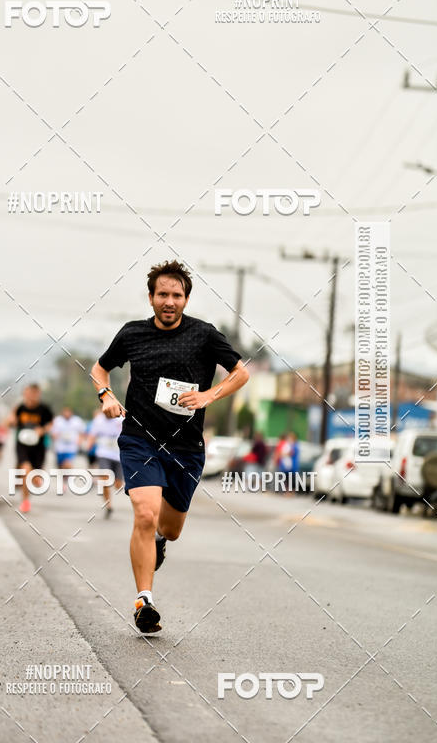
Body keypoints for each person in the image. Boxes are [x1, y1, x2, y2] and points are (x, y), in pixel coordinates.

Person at [90, 260, 249, 634]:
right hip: (139, 439)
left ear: (186, 299)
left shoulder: (206, 335)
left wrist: (211, 394)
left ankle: (161, 541)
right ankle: (144, 600)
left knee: (171, 528)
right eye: (162, 294)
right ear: (151, 298)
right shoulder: (132, 334)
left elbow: (241, 372)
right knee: (145, 514)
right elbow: (100, 369)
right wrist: (105, 395)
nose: (169, 301)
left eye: (177, 295)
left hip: (186, 448)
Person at [6, 384, 53, 513]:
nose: (32, 396)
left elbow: (50, 424)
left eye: (35, 393)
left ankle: (33, 480)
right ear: (25, 394)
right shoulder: (20, 408)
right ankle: (25, 501)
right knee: (26, 470)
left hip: (39, 447)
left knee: (35, 477)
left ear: (38, 394)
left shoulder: (44, 409)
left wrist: (42, 430)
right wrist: (11, 421)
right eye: (29, 393)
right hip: (22, 445)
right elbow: (10, 421)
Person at [85, 411, 124, 517]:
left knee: (118, 485)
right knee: (105, 480)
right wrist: (88, 446)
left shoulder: (120, 419)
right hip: (103, 454)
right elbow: (92, 435)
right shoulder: (98, 420)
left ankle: (112, 483)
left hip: (118, 455)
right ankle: (108, 505)